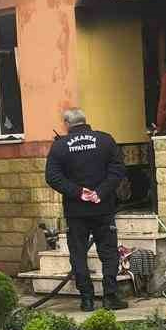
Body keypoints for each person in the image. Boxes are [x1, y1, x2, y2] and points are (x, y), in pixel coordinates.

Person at [45, 109, 128, 311]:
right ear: (85, 121)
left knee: (78, 254)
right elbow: (118, 170)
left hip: (76, 211)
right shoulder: (105, 140)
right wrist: (101, 192)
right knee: (109, 253)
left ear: (66, 124)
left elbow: (53, 177)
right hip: (103, 207)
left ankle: (87, 300)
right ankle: (110, 297)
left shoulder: (60, 146)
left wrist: (78, 192)